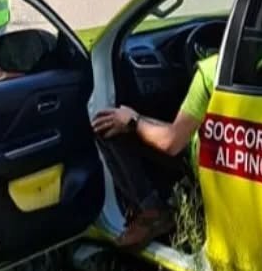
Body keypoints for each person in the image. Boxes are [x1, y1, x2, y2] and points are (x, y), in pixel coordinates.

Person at [92, 52, 217, 248]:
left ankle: (152, 212)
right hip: (212, 144)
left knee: (108, 129)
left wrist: (133, 120)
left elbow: (172, 142)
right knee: (127, 122)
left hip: (200, 155)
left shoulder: (212, 71)